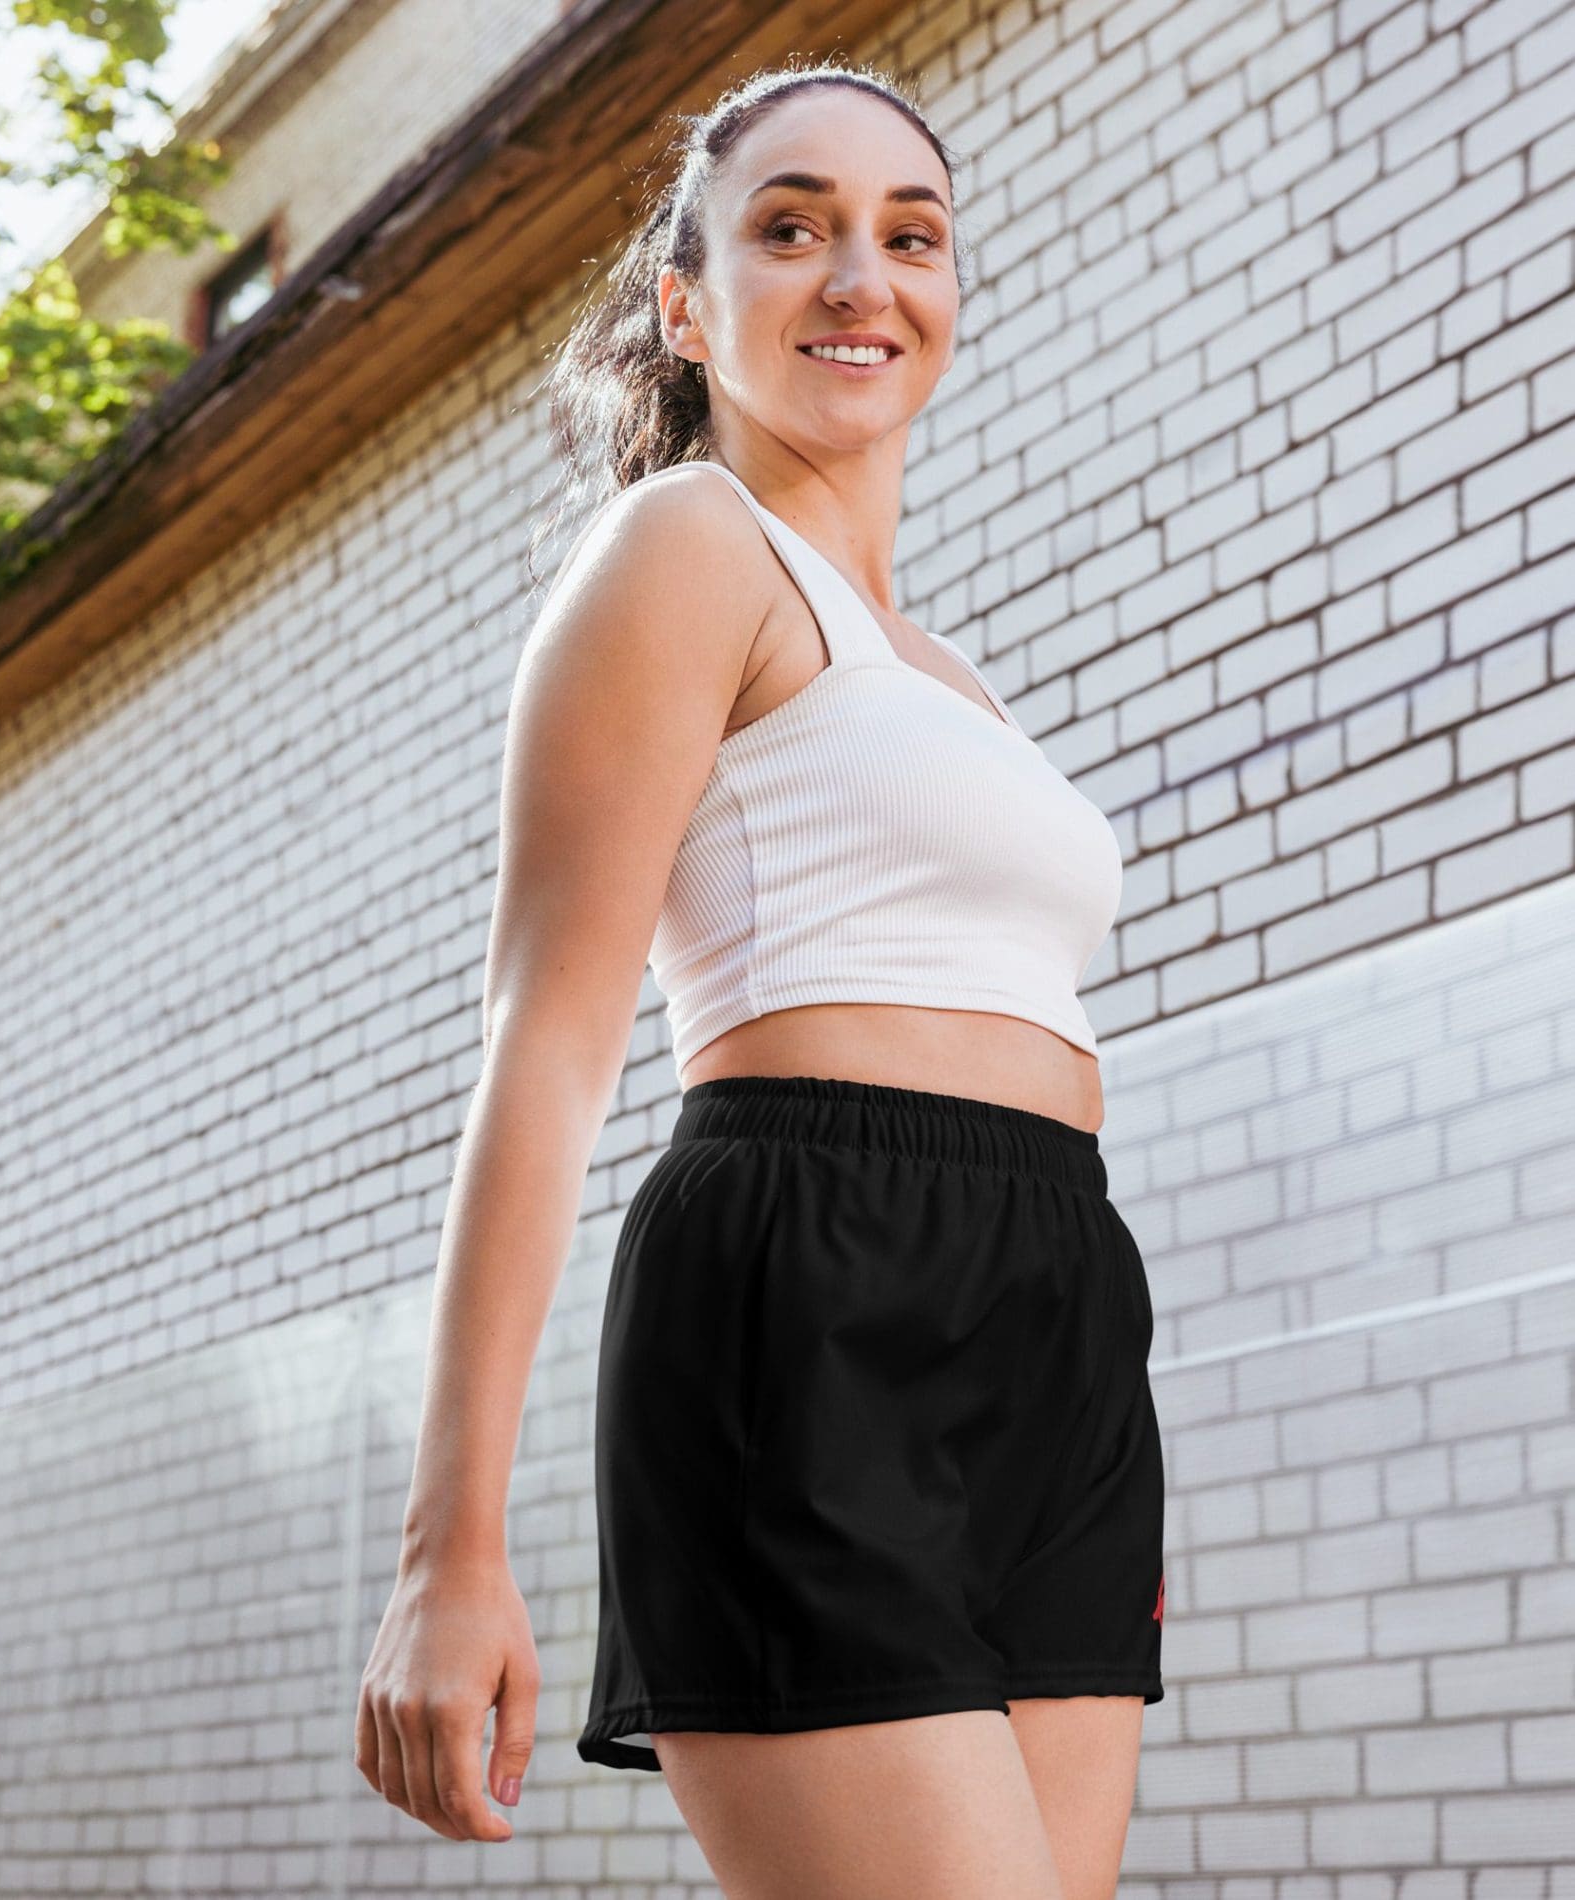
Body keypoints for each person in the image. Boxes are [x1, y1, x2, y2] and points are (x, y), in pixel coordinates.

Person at [354, 59, 1164, 1900]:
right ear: (687, 304)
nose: (861, 277)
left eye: (912, 235)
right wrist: (448, 1549)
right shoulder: (683, 549)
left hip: (1055, 1306)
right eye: (792, 228)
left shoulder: (952, 673)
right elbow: (545, 1045)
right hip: (810, 1283)